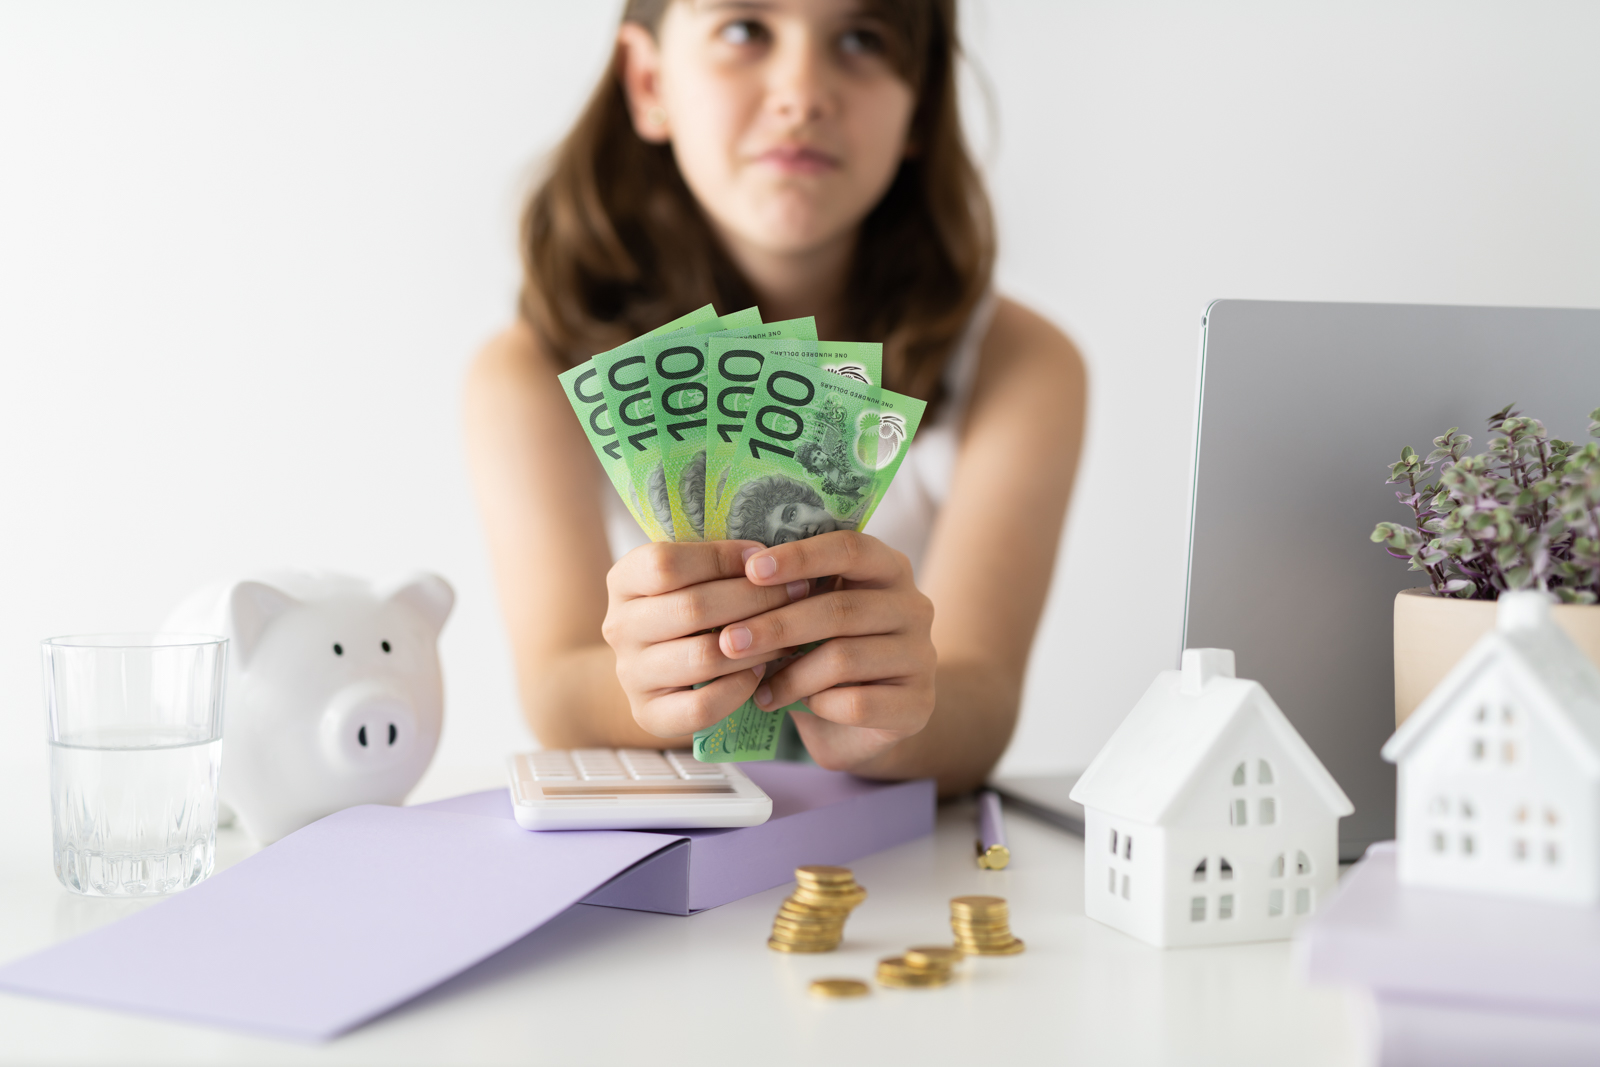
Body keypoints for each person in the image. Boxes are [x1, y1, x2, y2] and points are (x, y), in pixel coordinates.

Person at [464, 0, 1086, 795]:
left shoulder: (1023, 365)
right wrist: (646, 681)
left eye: (862, 38)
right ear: (649, 80)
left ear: (921, 105)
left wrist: (893, 713)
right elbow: (555, 687)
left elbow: (983, 702)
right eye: (743, 29)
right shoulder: (525, 373)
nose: (801, 92)